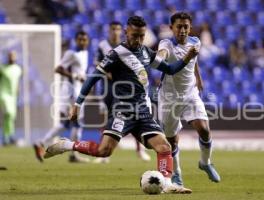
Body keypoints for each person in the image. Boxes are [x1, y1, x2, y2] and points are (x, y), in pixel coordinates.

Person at [44, 16, 199, 193]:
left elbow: (170, 69)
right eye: (134, 36)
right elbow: (93, 77)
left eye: (142, 36)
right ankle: (67, 145)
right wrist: (78, 103)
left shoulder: (147, 52)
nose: (138, 40)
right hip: (122, 111)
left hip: (142, 111)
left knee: (164, 147)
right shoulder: (116, 54)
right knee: (104, 151)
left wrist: (187, 58)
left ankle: (167, 182)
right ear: (127, 32)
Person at [157, 12, 221, 191]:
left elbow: (194, 61)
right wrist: (158, 58)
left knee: (204, 129)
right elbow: (161, 56)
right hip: (169, 98)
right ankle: (177, 173)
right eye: (179, 26)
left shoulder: (196, 42)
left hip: (190, 94)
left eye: (186, 26)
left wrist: (199, 78)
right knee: (172, 141)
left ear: (190, 28)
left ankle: (205, 162)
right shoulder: (166, 44)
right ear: (172, 28)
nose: (183, 30)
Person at [94, 21, 151, 163]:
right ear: (109, 30)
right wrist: (108, 72)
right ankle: (104, 149)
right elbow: (97, 63)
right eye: (113, 29)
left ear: (122, 31)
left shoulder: (127, 47)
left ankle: (140, 150)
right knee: (107, 117)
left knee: (136, 115)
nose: (115, 32)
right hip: (108, 86)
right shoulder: (103, 46)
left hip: (127, 88)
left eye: (118, 29)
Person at [33, 31, 90, 163]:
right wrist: (74, 77)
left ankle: (40, 142)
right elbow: (58, 68)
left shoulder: (85, 53)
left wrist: (83, 79)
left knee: (64, 123)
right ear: (76, 40)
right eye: (80, 39)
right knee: (78, 124)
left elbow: (80, 72)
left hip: (78, 90)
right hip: (71, 92)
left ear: (87, 41)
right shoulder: (71, 53)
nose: (82, 42)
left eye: (85, 40)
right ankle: (74, 155)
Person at [0, 51, 22, 146]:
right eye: (10, 56)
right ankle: (7, 137)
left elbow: (17, 83)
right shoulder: (2, 68)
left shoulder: (18, 69)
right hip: (3, 94)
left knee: (11, 117)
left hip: (13, 96)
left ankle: (8, 137)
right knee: (8, 113)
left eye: (13, 56)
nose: (11, 57)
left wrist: (18, 95)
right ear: (7, 57)